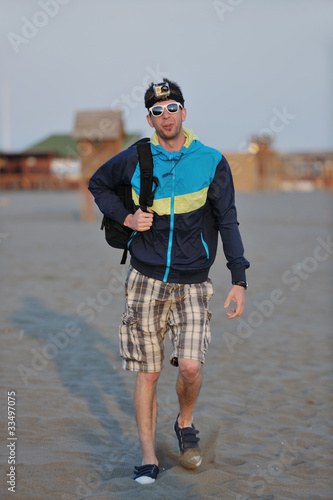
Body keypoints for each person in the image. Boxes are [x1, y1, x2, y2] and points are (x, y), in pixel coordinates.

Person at [88, 78, 250, 484]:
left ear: (183, 111)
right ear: (149, 118)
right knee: (149, 373)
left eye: (172, 107)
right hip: (145, 278)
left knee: (191, 367)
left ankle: (185, 421)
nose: (166, 115)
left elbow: (228, 219)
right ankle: (147, 458)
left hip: (194, 281)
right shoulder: (137, 157)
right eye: (157, 111)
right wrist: (127, 218)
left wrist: (238, 277)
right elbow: (98, 184)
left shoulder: (211, 160)